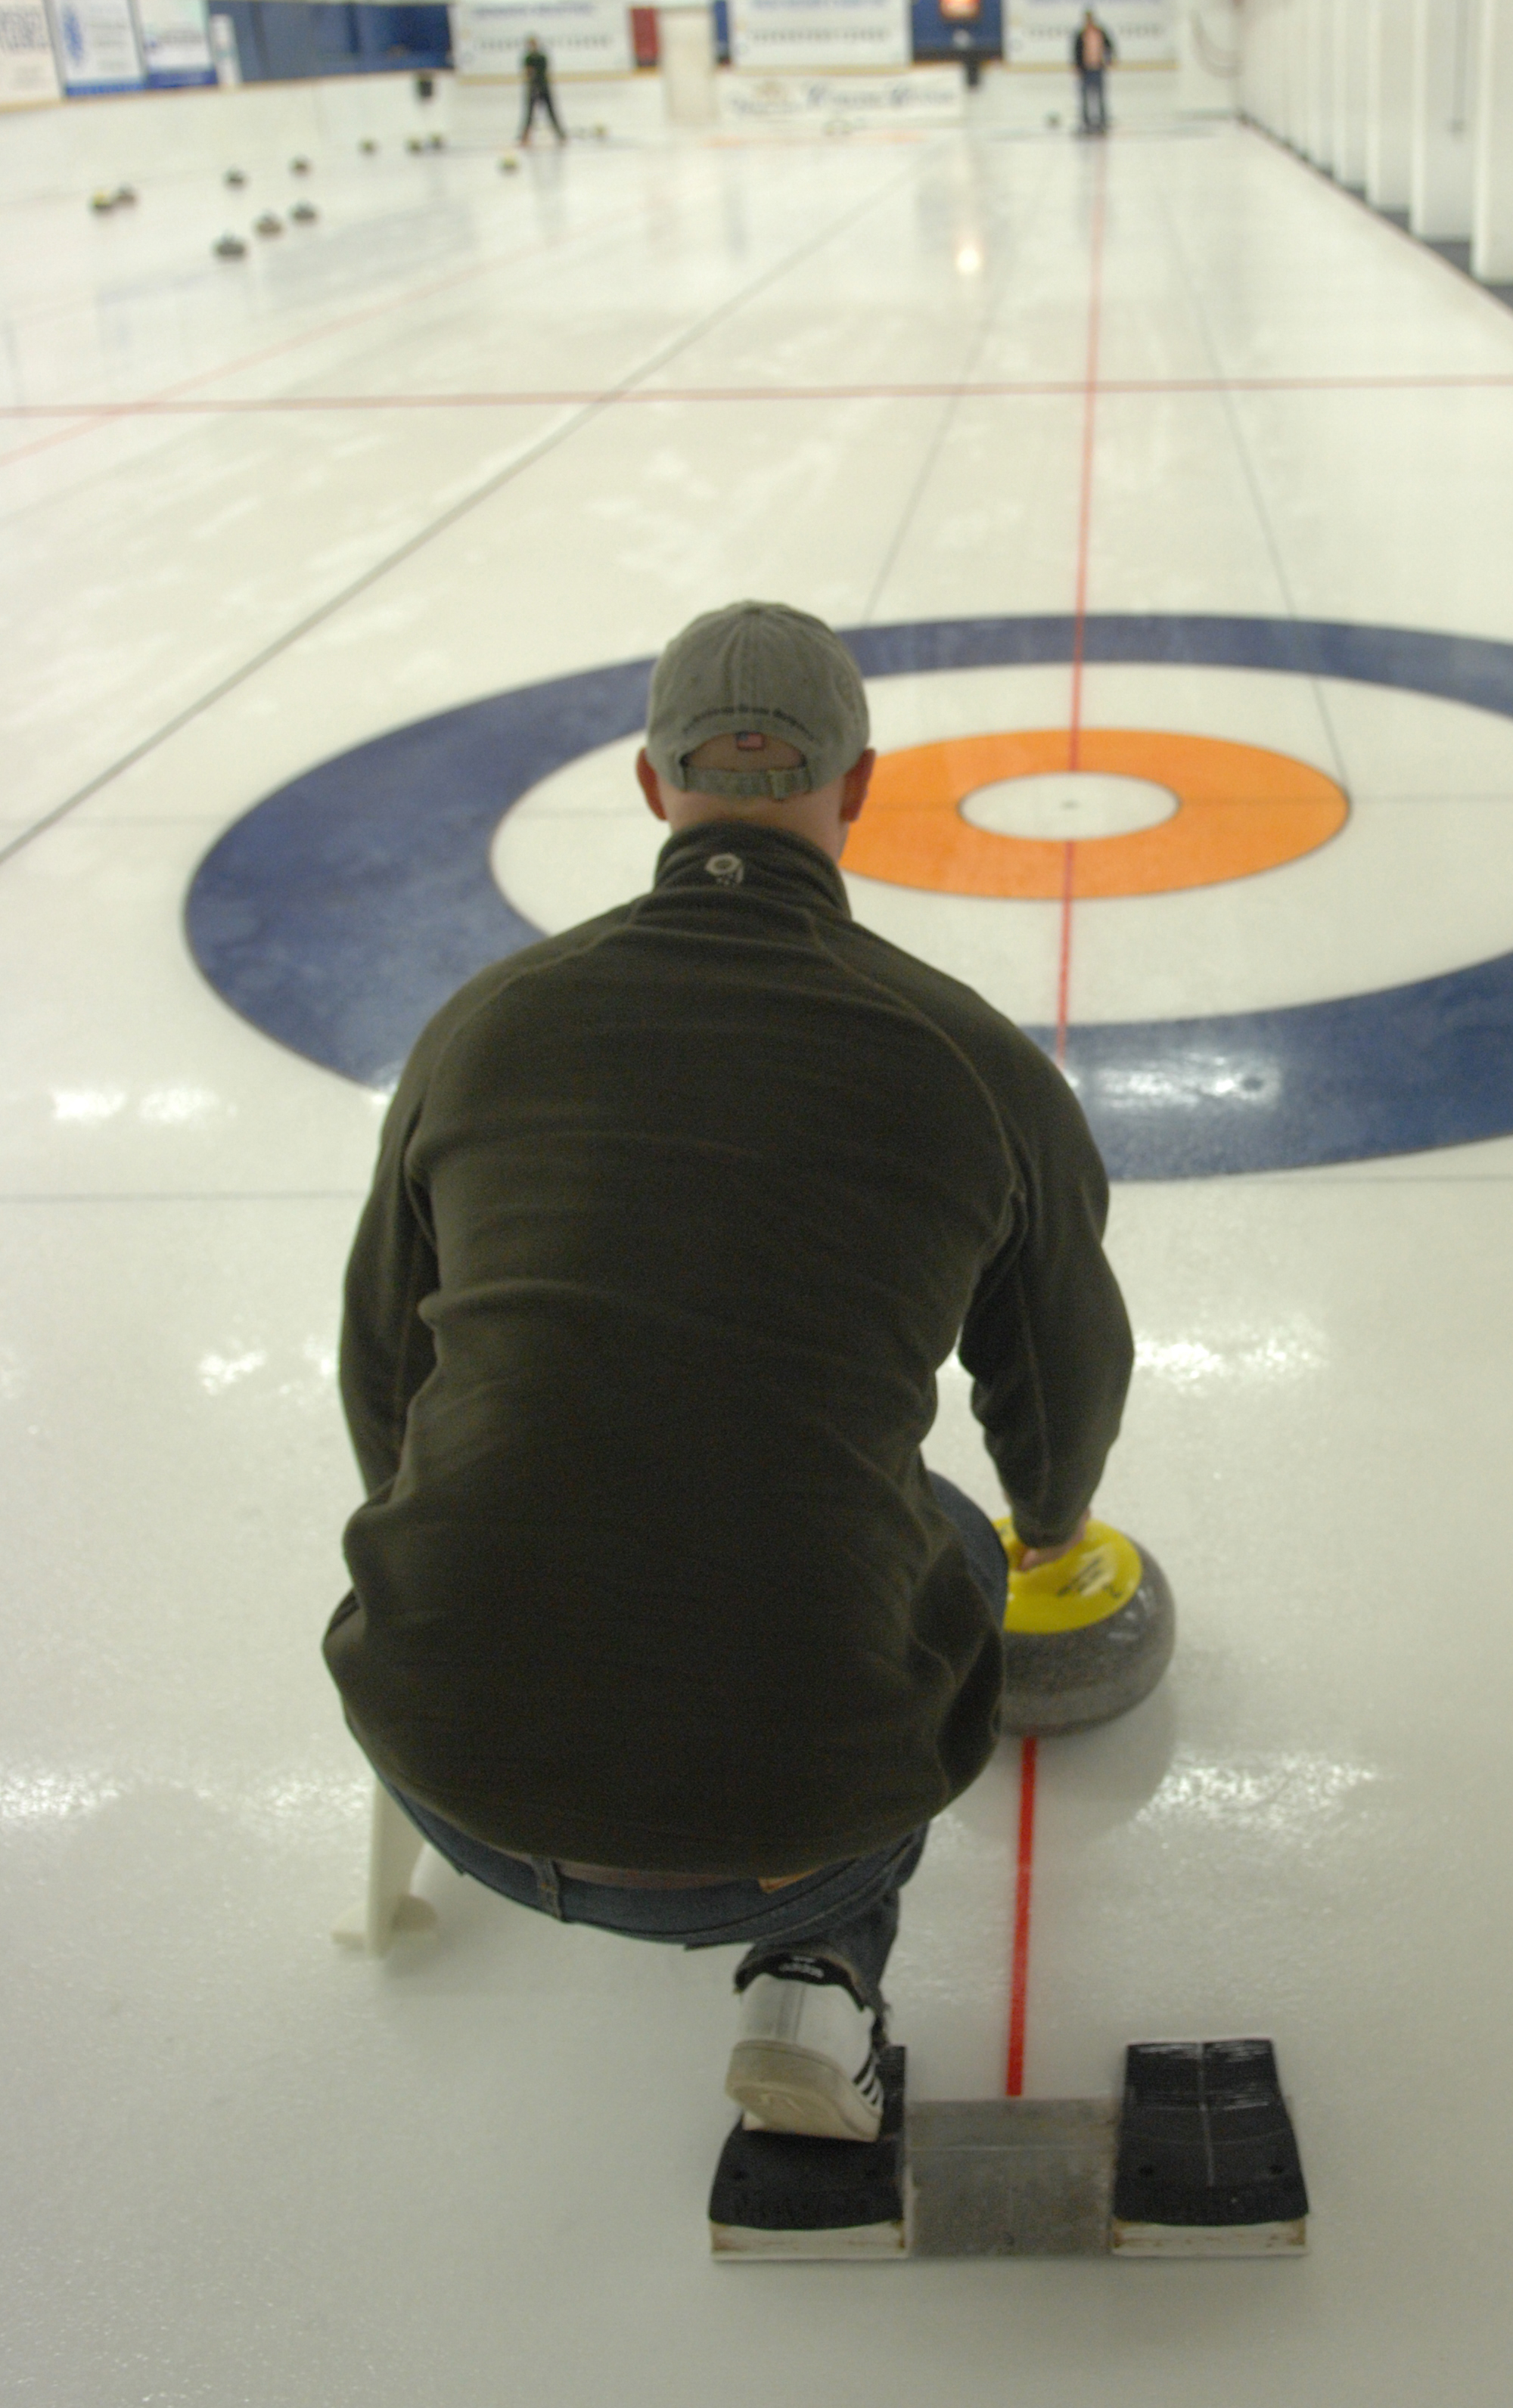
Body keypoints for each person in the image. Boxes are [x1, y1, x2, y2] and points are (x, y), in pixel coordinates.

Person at [329, 601, 1132, 2146]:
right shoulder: (972, 1060)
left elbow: (382, 1372)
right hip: (790, 1825)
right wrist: (1043, 1527)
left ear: (649, 785)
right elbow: (1063, 1373)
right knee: (933, 1526)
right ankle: (819, 1970)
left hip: (441, 1757)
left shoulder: (479, 1029)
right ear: (862, 785)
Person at [1072, 8, 1115, 135]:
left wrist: (1109, 60)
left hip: (1098, 68)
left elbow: (1109, 46)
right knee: (1085, 96)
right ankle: (1086, 120)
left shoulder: (1100, 32)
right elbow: (1076, 51)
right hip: (1085, 70)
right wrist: (1077, 66)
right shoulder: (1081, 34)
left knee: (1100, 95)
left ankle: (1102, 120)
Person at [517, 33, 565, 145]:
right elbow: (528, 73)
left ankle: (560, 135)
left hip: (542, 87)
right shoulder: (529, 58)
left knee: (551, 112)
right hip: (534, 87)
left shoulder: (541, 57)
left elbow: (540, 73)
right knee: (529, 114)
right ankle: (525, 137)